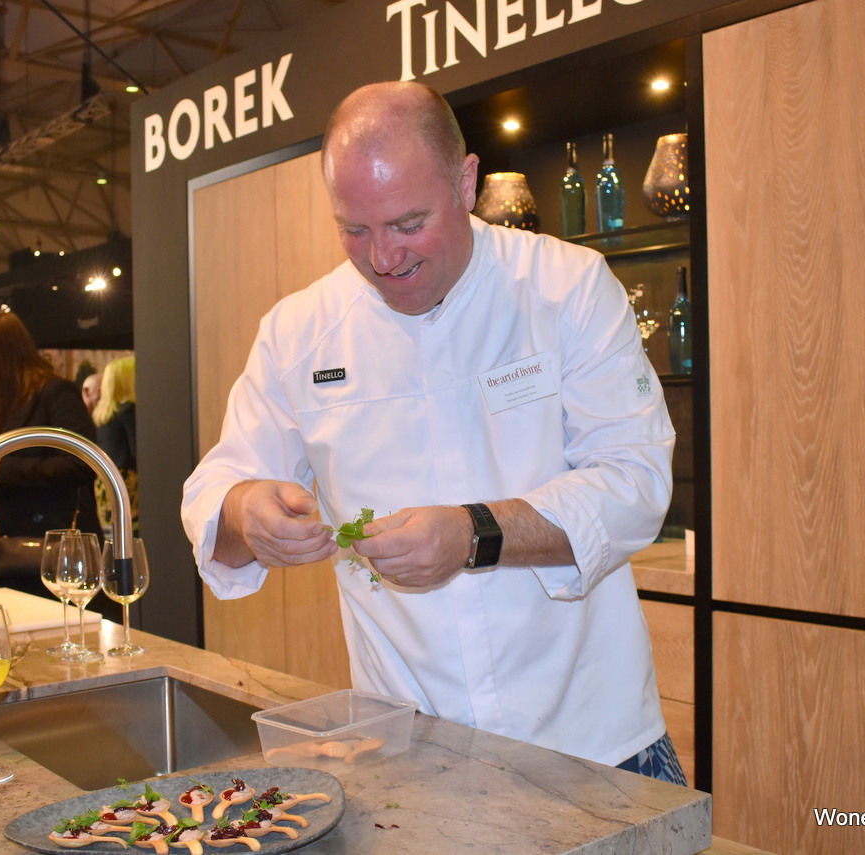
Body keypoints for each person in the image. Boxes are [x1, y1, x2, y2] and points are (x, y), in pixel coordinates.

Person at [182, 82, 682, 784]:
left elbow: (635, 483)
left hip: (594, 743)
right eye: (354, 230)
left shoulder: (566, 287)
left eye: (408, 223)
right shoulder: (300, 330)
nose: (384, 256)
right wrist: (247, 513)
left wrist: (475, 533)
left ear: (466, 182)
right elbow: (219, 489)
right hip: (412, 756)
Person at [0, 312, 107, 598]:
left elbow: (83, 462)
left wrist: (4, 470)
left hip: (55, 543)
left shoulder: (54, 394)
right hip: (7, 547)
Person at [92, 356, 137, 534]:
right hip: (128, 484)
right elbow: (137, 452)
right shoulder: (129, 412)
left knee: (112, 534)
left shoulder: (101, 415)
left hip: (105, 482)